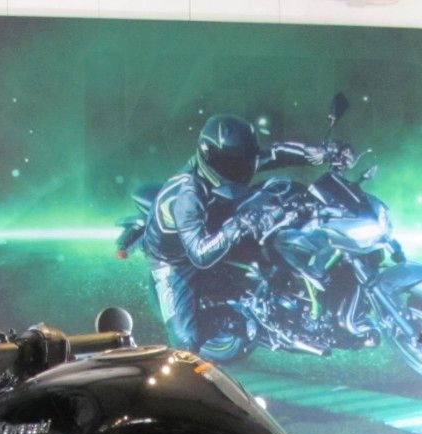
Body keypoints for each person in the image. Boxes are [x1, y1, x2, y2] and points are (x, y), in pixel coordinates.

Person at [141, 114, 348, 351]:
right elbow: (199, 254)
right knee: (186, 342)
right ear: (208, 155)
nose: (238, 167)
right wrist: (236, 226)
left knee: (279, 231)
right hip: (177, 258)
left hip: (221, 220)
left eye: (244, 159)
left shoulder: (236, 160)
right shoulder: (188, 196)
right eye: (230, 162)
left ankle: (280, 297)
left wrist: (324, 152)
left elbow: (276, 154)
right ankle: (231, 321)